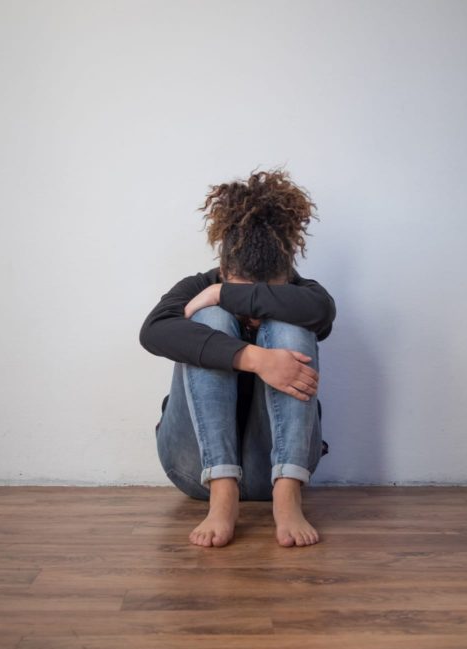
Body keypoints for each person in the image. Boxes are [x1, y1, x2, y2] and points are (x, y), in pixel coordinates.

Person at [139, 168, 336, 548]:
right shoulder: (197, 286)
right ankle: (223, 492)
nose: (254, 310)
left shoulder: (303, 292)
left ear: (288, 275)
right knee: (206, 320)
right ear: (224, 271)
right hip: (194, 468)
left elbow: (322, 312)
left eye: (268, 293)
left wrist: (225, 295)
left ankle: (287, 495)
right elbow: (153, 332)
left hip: (276, 468)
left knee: (291, 321)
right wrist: (256, 359)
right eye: (236, 289)